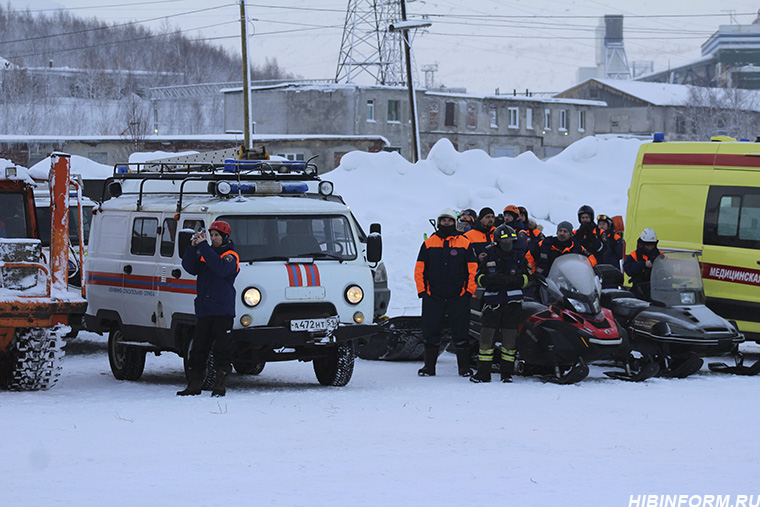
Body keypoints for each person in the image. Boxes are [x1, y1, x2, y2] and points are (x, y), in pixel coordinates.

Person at [177, 220, 240, 397]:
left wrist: (204, 247)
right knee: (198, 350)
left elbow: (221, 269)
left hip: (223, 312)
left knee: (222, 351)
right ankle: (194, 384)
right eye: (211, 235)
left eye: (217, 235)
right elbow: (190, 267)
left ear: (225, 237)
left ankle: (220, 386)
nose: (213, 238)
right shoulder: (207, 252)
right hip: (205, 310)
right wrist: (192, 248)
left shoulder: (230, 256)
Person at [415, 208, 478, 377]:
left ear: (454, 223)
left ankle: (464, 368)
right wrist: (423, 291)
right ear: (439, 222)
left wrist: (468, 292)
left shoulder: (464, 242)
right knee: (430, 331)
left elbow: (473, 270)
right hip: (433, 296)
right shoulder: (429, 243)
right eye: (444, 220)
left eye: (450, 221)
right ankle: (429, 367)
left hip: (458, 296)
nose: (447, 223)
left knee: (461, 331)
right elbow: (419, 269)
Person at [470, 224, 532, 383]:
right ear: (497, 242)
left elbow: (528, 279)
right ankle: (483, 373)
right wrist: (489, 280)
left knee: (509, 342)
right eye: (505, 242)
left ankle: (507, 374)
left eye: (511, 241)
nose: (508, 245)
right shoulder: (488, 256)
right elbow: (478, 278)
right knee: (486, 340)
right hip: (492, 304)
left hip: (512, 305)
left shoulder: (519, 258)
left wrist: (514, 280)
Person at [526, 220, 597, 277]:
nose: (562, 233)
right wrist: (532, 272)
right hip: (544, 280)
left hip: (568, 281)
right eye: (560, 231)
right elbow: (529, 256)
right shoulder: (545, 243)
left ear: (570, 234)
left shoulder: (576, 246)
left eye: (565, 231)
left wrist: (583, 268)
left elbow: (591, 258)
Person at [623, 228, 662, 301]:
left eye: (652, 245)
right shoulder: (634, 255)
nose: (649, 247)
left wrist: (659, 269)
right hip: (639, 291)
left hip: (657, 290)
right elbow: (627, 268)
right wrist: (643, 264)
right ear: (642, 244)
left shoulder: (660, 256)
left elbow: (669, 270)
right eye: (647, 245)